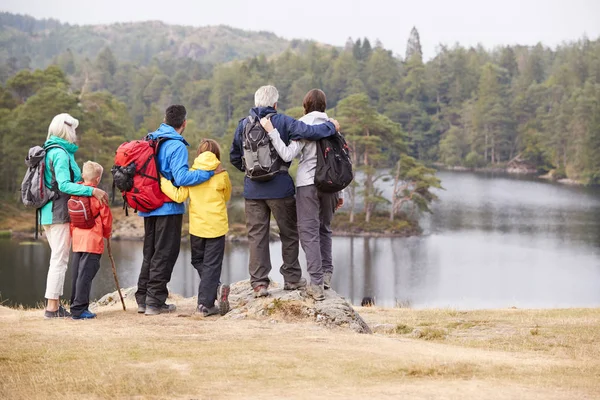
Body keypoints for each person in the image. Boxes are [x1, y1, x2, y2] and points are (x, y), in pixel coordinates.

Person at [229, 85, 340, 298]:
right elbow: (311, 132)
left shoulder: (243, 124)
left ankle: (259, 284)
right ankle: (291, 279)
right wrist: (331, 127)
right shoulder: (283, 121)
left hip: (253, 190)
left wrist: (253, 172)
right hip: (280, 188)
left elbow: (235, 156)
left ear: (255, 102)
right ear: (275, 104)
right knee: (289, 234)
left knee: (256, 236)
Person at [135, 105, 218, 316]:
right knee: (165, 253)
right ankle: (155, 302)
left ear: (165, 119)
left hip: (148, 205)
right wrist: (207, 174)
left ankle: (143, 299)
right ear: (184, 123)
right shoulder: (176, 145)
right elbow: (181, 179)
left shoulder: (151, 139)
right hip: (168, 207)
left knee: (150, 252)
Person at [263, 89, 342, 301]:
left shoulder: (301, 126)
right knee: (325, 229)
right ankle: (326, 276)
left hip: (308, 184)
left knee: (308, 232)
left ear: (305, 105)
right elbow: (339, 162)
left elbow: (288, 154)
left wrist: (272, 132)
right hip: (331, 187)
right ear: (324, 105)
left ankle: (315, 284)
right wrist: (340, 192)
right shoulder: (334, 127)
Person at [41, 113, 109, 319]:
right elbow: (63, 185)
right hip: (59, 212)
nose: (75, 134)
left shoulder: (48, 150)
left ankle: (54, 305)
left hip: (46, 212)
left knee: (58, 258)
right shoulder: (60, 154)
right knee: (59, 260)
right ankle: (52, 308)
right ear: (66, 130)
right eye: (73, 130)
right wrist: (92, 191)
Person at [160, 139, 232, 317]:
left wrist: (162, 181)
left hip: (197, 227)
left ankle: (206, 301)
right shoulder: (222, 174)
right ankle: (207, 301)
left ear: (198, 154)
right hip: (216, 226)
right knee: (211, 265)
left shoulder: (191, 174)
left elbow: (178, 196)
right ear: (217, 154)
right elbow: (227, 196)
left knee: (198, 261)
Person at [69, 161, 113, 319]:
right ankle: (79, 310)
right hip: (92, 241)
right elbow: (106, 219)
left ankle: (74, 305)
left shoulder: (76, 191)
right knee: (85, 275)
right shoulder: (98, 195)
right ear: (98, 178)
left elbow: (72, 217)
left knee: (77, 274)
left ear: (83, 175)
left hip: (78, 240)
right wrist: (107, 234)